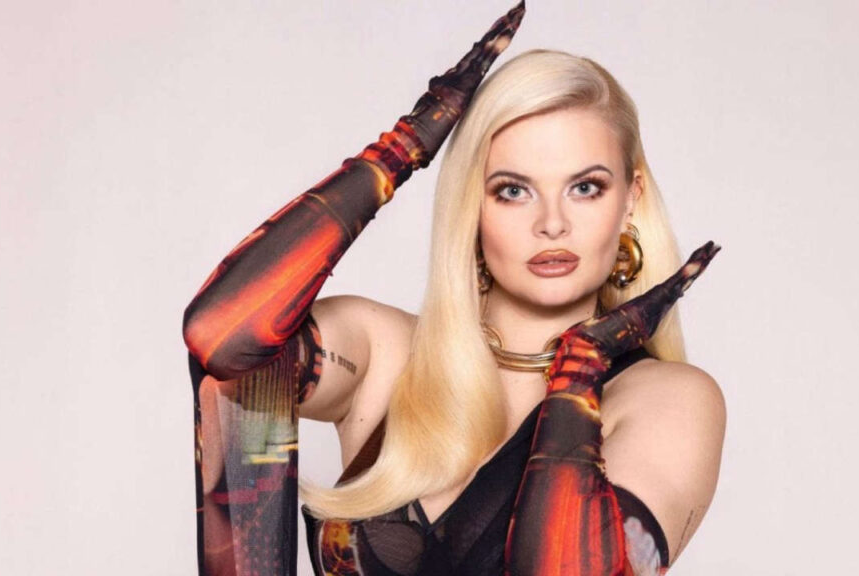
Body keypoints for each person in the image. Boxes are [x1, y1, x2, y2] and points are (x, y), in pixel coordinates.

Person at [182, 3, 724, 575]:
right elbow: (221, 341)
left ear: (630, 199)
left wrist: (577, 376)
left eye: (585, 188)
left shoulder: (668, 400)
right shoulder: (388, 355)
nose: (552, 223)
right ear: (473, 204)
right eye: (513, 190)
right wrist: (401, 149)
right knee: (243, 385)